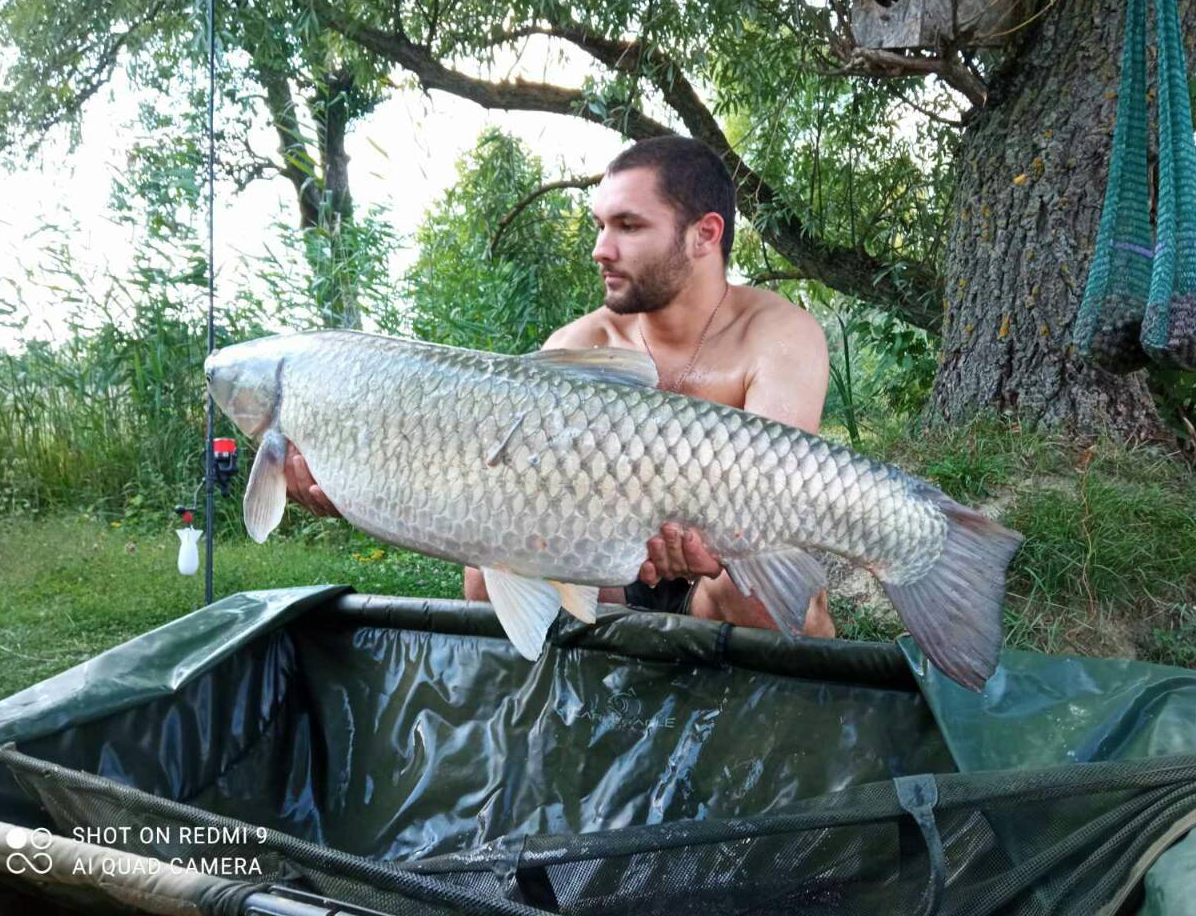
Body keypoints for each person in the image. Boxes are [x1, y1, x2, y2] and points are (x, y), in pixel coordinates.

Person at [284, 135, 835, 637]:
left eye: (628, 226)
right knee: (484, 578)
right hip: (608, 563)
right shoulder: (580, 343)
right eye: (600, 225)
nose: (601, 249)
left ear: (704, 235)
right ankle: (607, 691)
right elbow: (506, 496)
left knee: (757, 599)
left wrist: (712, 547)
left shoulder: (777, 334)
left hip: (726, 569)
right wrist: (358, 489)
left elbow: (774, 507)